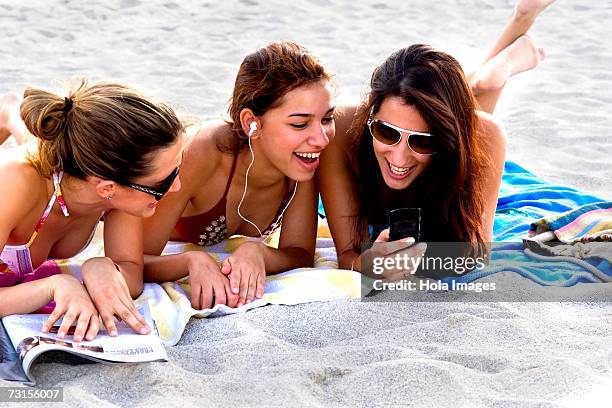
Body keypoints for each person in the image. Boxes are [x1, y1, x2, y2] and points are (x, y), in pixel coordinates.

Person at [318, 0, 555, 278]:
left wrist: (416, 261)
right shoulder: (343, 130)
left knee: (473, 131)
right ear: (371, 115)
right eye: (387, 133)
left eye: (423, 141)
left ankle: (492, 72)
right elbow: (348, 254)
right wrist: (370, 263)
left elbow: (475, 252)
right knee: (460, 114)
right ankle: (495, 62)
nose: (399, 157)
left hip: (467, 136)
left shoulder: (486, 134)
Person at [143, 41, 334, 310]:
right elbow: (134, 260)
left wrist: (258, 252)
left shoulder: (302, 159)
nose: (321, 138)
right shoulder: (201, 153)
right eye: (300, 124)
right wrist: (190, 261)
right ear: (250, 122)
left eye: (327, 118)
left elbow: (299, 253)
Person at [0, 79, 183, 342]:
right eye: (162, 182)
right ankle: (10, 111)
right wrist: (55, 285)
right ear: (108, 187)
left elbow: (131, 270)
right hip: (18, 184)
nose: (177, 186)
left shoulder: (119, 197)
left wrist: (104, 267)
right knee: (34, 162)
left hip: (65, 180)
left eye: (178, 168)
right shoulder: (13, 185)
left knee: (52, 157)